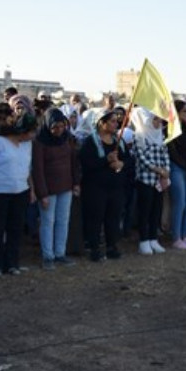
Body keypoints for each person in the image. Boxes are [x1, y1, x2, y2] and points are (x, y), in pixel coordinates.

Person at [0, 112, 37, 276]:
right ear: (21, 131)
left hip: (20, 191)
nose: (33, 136)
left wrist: (31, 189)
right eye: (31, 132)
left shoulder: (26, 144)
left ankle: (11, 263)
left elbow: (27, 168)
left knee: (15, 229)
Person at [31, 108, 80, 269]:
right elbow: (37, 169)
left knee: (63, 221)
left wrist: (76, 183)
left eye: (61, 126)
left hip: (66, 186)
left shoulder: (67, 139)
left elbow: (73, 162)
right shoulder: (40, 142)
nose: (58, 130)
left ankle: (60, 253)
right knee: (47, 222)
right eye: (54, 127)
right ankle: (48, 256)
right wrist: (42, 194)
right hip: (48, 189)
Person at [79, 109, 129, 262]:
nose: (116, 124)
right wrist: (105, 160)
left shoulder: (119, 141)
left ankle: (111, 246)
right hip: (95, 188)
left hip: (115, 187)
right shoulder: (90, 142)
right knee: (96, 217)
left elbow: (129, 161)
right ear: (102, 123)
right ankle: (94, 248)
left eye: (116, 121)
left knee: (113, 217)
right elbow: (86, 165)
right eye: (112, 121)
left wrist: (121, 163)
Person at [132, 108, 170, 256]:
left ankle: (154, 239)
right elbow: (142, 158)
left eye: (158, 119)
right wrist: (159, 170)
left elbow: (165, 154)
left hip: (159, 180)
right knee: (145, 210)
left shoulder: (160, 135)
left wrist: (166, 170)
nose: (158, 122)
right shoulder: (139, 136)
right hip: (145, 179)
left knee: (156, 209)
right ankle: (144, 241)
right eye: (154, 119)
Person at [167, 101, 186, 249]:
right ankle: (176, 237)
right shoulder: (170, 129)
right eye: (184, 111)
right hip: (177, 168)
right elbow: (173, 153)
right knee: (180, 203)